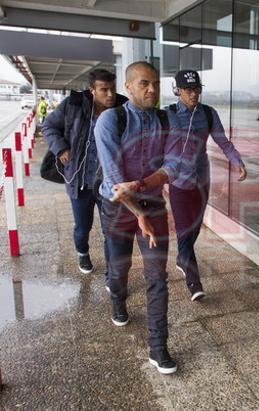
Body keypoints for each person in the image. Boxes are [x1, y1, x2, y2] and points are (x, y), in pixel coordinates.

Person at [95, 61, 180, 374]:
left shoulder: (166, 119)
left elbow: (172, 167)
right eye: (144, 83)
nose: (152, 90)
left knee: (157, 276)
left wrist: (144, 185)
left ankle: (158, 347)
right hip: (118, 208)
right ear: (128, 87)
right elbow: (116, 183)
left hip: (153, 204)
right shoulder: (110, 120)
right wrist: (138, 213)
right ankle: (117, 298)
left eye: (155, 84)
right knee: (120, 267)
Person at [165, 69, 247, 301]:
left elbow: (223, 141)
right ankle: (194, 281)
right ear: (178, 90)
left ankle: (182, 257)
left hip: (202, 179)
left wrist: (237, 161)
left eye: (197, 89)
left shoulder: (208, 114)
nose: (193, 94)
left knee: (195, 227)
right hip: (178, 181)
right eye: (188, 90)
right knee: (184, 229)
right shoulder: (168, 115)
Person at [42, 69, 127, 277]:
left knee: (111, 231)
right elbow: (48, 126)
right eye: (103, 90)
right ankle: (82, 252)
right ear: (92, 90)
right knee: (83, 228)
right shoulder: (74, 105)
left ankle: (111, 273)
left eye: (112, 89)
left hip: (108, 184)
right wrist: (61, 148)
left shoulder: (123, 108)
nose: (110, 95)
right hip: (80, 182)